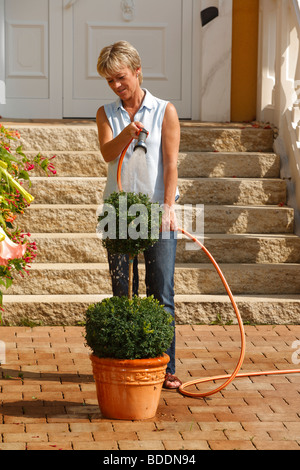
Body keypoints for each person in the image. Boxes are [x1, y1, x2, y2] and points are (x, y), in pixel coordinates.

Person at [96, 41, 181, 389]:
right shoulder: (106, 113)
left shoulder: (164, 111)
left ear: (137, 70)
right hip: (118, 213)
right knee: (122, 292)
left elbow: (171, 163)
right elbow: (106, 153)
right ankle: (125, 364)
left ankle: (166, 368)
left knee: (160, 291)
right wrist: (126, 133)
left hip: (157, 212)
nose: (117, 86)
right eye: (110, 81)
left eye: (121, 77)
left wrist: (169, 208)